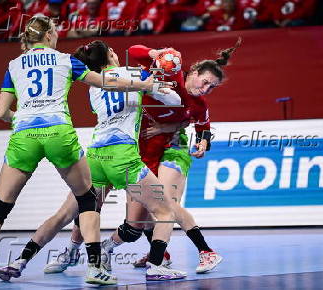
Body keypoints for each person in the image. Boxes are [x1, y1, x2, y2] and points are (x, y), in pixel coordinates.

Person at [0, 16, 164, 287]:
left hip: (25, 136)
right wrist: (144, 85)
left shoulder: (14, 65)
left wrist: (20, 118)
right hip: (61, 134)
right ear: (49, 35)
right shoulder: (65, 59)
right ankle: (95, 267)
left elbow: (0, 112)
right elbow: (106, 82)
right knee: (87, 200)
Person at [0, 39, 203, 282]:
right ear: (112, 53)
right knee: (164, 210)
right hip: (123, 159)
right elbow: (174, 100)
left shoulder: (93, 86)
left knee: (64, 214)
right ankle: (156, 266)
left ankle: (20, 261)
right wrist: (157, 85)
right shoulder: (134, 73)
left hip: (95, 157)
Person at [38, 39, 241, 275]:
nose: (206, 89)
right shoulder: (161, 74)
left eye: (212, 87)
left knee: (166, 202)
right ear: (193, 72)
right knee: (130, 222)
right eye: (205, 82)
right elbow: (135, 52)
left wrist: (200, 140)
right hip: (133, 150)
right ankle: (82, 250)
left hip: (172, 147)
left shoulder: (198, 103)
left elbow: (203, 127)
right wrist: (154, 54)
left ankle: (203, 252)